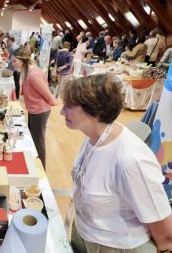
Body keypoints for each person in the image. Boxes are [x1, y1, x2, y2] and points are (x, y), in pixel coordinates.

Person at [60, 74, 172, 252]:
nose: (62, 112)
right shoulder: (93, 136)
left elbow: (165, 234)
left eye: (69, 106)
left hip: (115, 246)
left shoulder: (131, 161)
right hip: (84, 233)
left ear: (95, 112)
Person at [12, 47, 57, 170]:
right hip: (34, 109)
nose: (13, 63)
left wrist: (53, 101)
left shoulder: (33, 73)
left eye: (14, 61)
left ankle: (42, 170)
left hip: (40, 110)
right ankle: (35, 167)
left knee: (38, 142)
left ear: (22, 60)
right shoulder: (27, 71)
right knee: (33, 139)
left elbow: (46, 93)